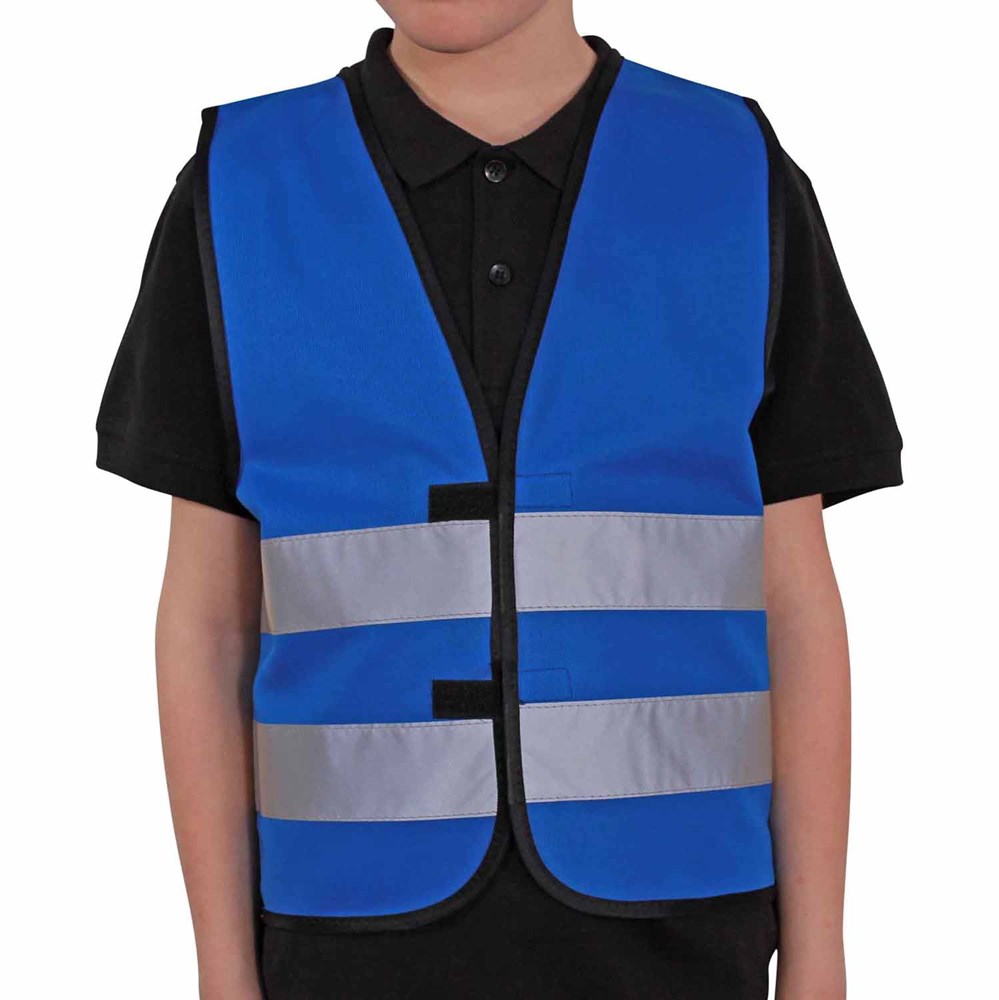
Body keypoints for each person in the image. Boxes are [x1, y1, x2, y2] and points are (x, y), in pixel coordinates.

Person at [96, 1, 903, 997]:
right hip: (343, 938)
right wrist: (222, 973)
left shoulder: (731, 172)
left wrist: (819, 958)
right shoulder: (243, 186)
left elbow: (795, 602)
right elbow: (206, 622)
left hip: (682, 931)